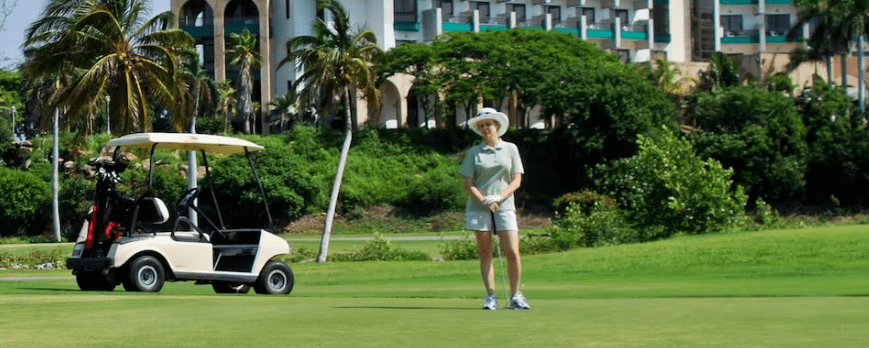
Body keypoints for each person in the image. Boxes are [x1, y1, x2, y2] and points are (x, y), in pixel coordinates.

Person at [459, 107, 529, 310]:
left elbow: (516, 180)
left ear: (497, 126)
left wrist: (499, 197)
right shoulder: (474, 152)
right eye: (481, 126)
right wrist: (485, 200)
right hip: (479, 207)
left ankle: (516, 295)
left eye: (488, 124)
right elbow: (468, 183)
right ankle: (491, 296)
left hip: (505, 205)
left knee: (513, 251)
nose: (485, 128)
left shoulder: (510, 149)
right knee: (485, 252)